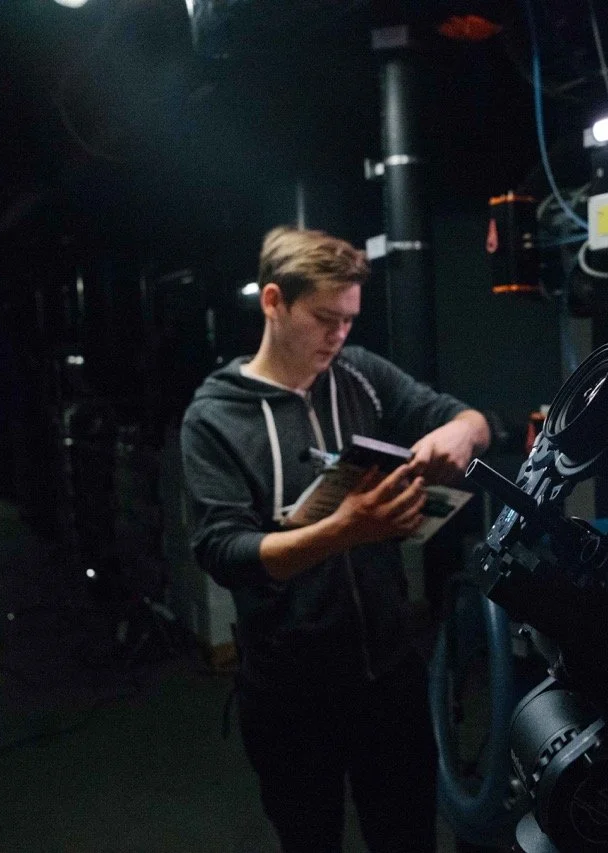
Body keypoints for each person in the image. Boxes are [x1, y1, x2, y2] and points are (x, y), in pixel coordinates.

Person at [180, 226, 490, 852]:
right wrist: (344, 530)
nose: (339, 335)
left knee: (407, 837)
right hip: (290, 695)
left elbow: (467, 417)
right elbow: (224, 552)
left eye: (349, 319)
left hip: (390, 673)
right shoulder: (214, 417)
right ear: (274, 301)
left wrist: (462, 434)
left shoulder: (358, 375)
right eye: (325, 318)